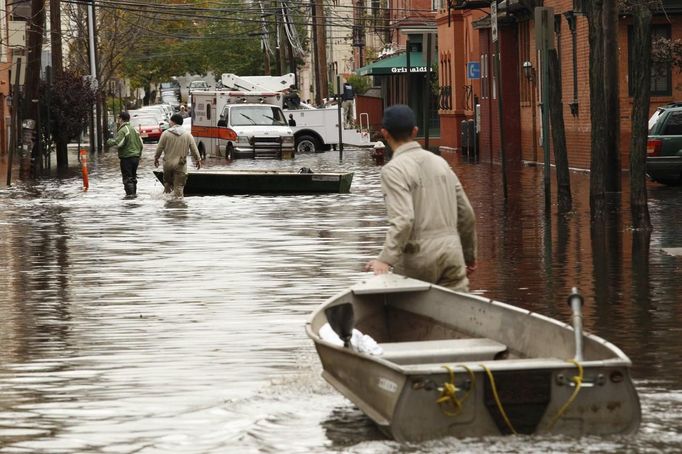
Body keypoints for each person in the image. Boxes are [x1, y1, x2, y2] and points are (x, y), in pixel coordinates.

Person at [364, 105, 477, 292]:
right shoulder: (440, 163)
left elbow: (403, 219)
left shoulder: (393, 170)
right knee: (456, 313)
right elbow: (466, 214)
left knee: (408, 313)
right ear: (415, 131)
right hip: (452, 254)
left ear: (385, 133)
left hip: (418, 259)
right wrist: (469, 255)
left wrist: (385, 259)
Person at [154, 113, 202, 197]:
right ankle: (178, 206)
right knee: (179, 187)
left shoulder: (165, 134)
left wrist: (156, 158)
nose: (169, 123)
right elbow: (194, 149)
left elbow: (159, 148)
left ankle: (168, 206)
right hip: (181, 164)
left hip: (167, 164)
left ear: (173, 122)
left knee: (167, 185)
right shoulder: (188, 135)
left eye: (170, 121)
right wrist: (198, 160)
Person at [106, 111, 144, 198]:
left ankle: (130, 197)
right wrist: (139, 155)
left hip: (127, 158)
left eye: (118, 119)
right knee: (133, 178)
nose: (118, 121)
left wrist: (109, 141)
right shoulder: (134, 129)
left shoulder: (123, 130)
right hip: (136, 157)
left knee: (127, 179)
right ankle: (134, 195)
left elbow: (119, 143)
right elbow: (141, 143)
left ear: (121, 119)